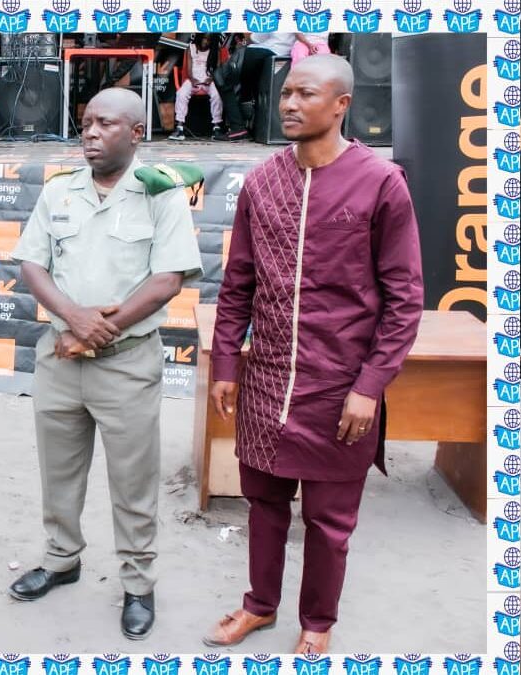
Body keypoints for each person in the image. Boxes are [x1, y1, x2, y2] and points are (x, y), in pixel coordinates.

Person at [202, 55, 424, 654]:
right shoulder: (262, 182)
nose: (291, 104)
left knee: (329, 521)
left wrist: (370, 386)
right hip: (268, 380)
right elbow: (238, 283)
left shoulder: (380, 183)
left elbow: (405, 298)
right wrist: (226, 364)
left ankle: (318, 622)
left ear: (341, 104)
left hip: (339, 386)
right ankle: (259, 606)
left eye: (306, 93)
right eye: (286, 94)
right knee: (264, 504)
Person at [9, 88, 203, 640]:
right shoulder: (59, 190)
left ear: (136, 133)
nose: (90, 133)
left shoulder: (161, 194)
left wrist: (97, 333)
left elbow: (167, 280)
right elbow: (32, 264)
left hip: (125, 363)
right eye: (86, 123)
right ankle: (61, 560)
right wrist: (73, 320)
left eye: (105, 124)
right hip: (59, 358)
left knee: (133, 481)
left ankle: (138, 583)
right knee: (59, 471)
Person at [218, 32, 296, 141]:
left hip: (268, 48)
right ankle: (247, 120)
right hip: (280, 51)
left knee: (220, 77)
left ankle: (237, 127)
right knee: (247, 85)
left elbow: (257, 37)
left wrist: (248, 36)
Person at [169, 33, 226, 142]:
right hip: (193, 80)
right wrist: (192, 79)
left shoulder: (215, 50)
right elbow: (189, 69)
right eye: (204, 38)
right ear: (199, 37)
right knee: (181, 94)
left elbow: (218, 69)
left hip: (208, 80)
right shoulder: (191, 48)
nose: (206, 42)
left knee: (217, 95)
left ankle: (217, 127)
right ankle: (179, 127)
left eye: (209, 40)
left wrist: (212, 78)